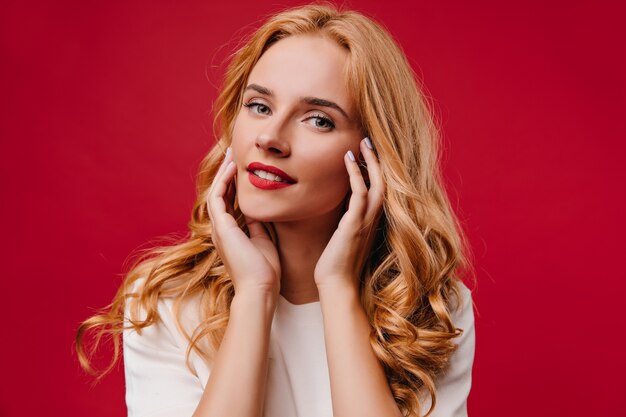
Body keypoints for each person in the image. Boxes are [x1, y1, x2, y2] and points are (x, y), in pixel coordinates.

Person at [76, 3, 476, 417]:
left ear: (376, 154)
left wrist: (338, 290)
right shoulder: (166, 302)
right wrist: (254, 295)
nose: (270, 137)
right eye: (260, 106)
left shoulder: (429, 311)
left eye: (318, 120)